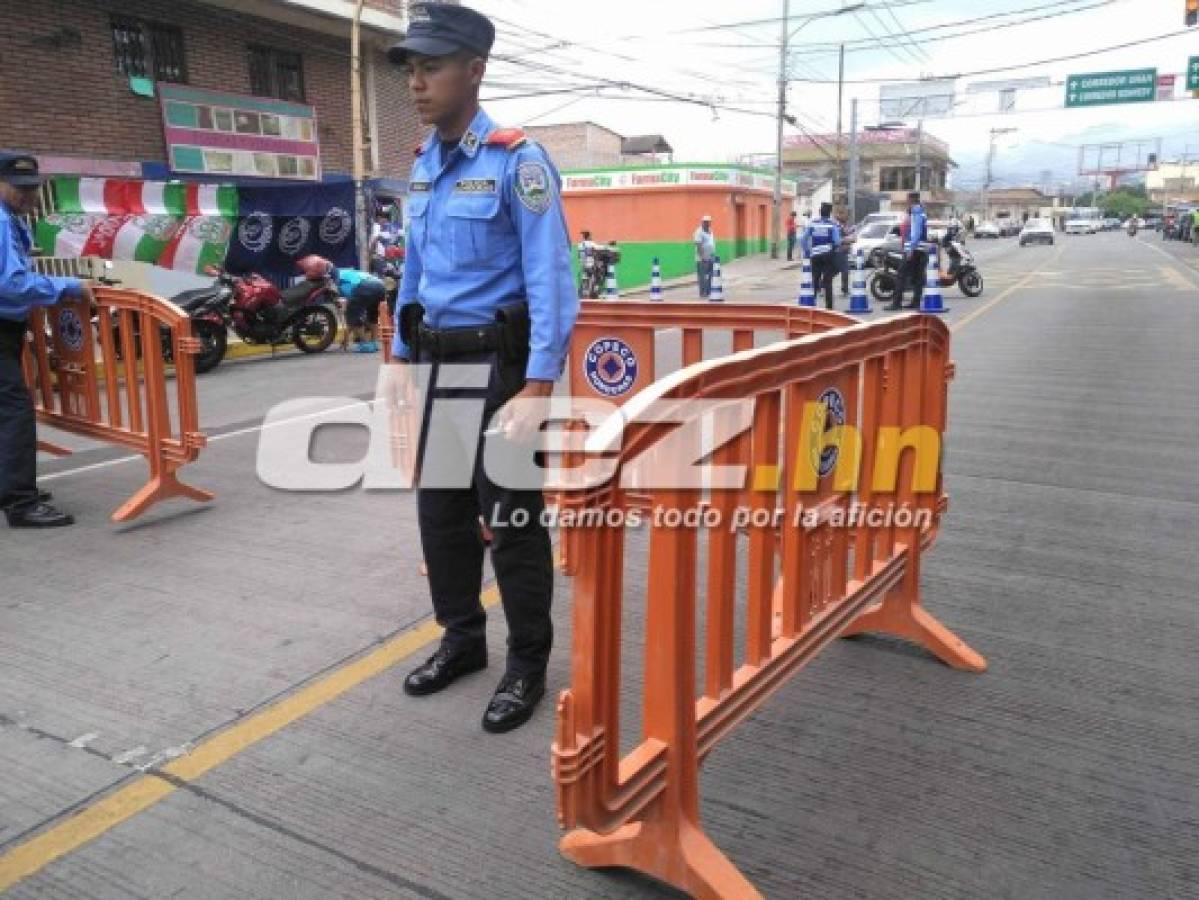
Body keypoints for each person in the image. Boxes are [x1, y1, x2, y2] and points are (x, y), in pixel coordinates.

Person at [387, 3, 578, 733]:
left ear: (474, 69)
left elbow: (550, 276)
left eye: (430, 66)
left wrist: (537, 384)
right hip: (437, 369)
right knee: (441, 517)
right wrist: (401, 363)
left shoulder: (517, 160)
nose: (416, 82)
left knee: (513, 520)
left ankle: (526, 663)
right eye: (410, 69)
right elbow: (413, 273)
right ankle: (462, 641)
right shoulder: (424, 166)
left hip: (500, 372)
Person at [0, 152, 94, 527]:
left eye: (32, 188)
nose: (28, 196)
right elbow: (11, 283)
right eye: (18, 188)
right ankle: (21, 504)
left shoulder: (11, 220)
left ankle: (11, 488)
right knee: (15, 413)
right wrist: (69, 285)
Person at [887, 191, 927, 311]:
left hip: (914, 249)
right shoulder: (920, 211)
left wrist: (910, 249)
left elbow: (916, 232)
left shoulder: (916, 212)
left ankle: (896, 302)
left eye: (908, 200)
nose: (906, 202)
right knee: (917, 277)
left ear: (911, 200)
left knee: (901, 275)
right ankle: (915, 302)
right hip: (920, 249)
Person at [800, 201, 841, 310]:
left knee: (815, 279)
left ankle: (811, 304)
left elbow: (803, 239)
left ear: (820, 212)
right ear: (830, 212)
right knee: (827, 282)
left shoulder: (813, 223)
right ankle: (829, 307)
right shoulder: (833, 224)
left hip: (815, 255)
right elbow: (837, 241)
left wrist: (807, 250)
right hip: (828, 255)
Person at [335, 266, 387, 352]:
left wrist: (346, 337)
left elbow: (352, 317)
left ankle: (365, 345)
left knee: (353, 315)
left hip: (365, 286)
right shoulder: (352, 273)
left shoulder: (338, 279)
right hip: (380, 286)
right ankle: (374, 343)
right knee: (372, 316)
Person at [693, 214, 716, 298]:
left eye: (709, 222)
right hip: (702, 258)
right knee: (702, 276)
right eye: (705, 222)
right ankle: (702, 292)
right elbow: (698, 245)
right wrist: (702, 257)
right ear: (702, 222)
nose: (707, 223)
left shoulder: (710, 230)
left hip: (710, 257)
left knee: (710, 275)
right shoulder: (698, 232)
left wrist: (713, 255)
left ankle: (708, 291)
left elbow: (711, 243)